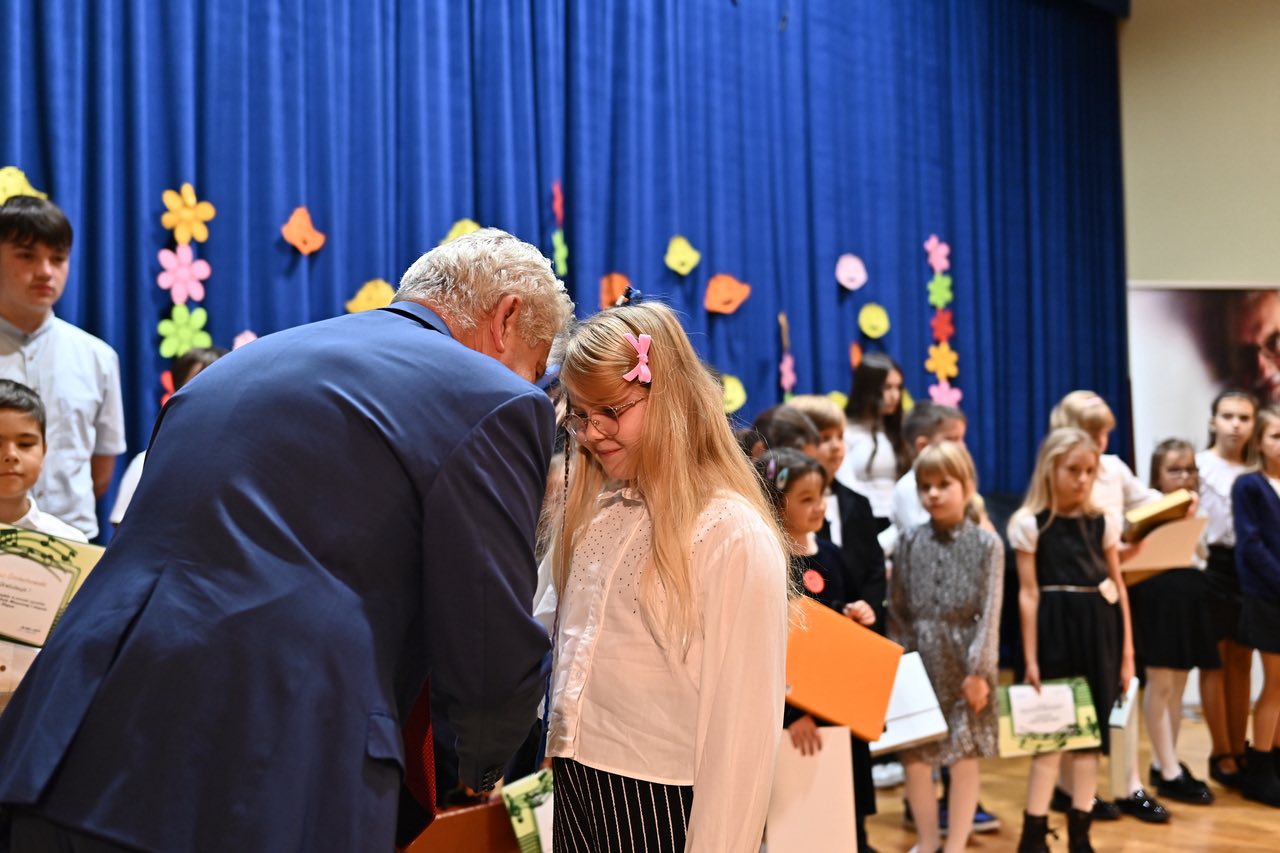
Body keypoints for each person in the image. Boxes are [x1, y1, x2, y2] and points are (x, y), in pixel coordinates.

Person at [0, 228, 574, 851]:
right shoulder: (493, 398)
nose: (530, 384)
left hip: (63, 739)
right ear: (507, 317)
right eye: (535, 365)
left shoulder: (238, 366)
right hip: (260, 772)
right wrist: (480, 772)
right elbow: (486, 636)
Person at [542, 302, 789, 852]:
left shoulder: (729, 533)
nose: (592, 432)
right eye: (580, 415)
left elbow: (742, 733)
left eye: (610, 410)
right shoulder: (593, 516)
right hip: (578, 782)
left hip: (666, 804)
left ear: (670, 396)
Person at [1046, 391, 1170, 823]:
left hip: (1110, 594)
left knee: (1121, 689)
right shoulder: (1057, 476)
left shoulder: (1114, 468)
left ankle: (1127, 783)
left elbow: (1146, 501)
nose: (1101, 442)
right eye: (1093, 432)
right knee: (1074, 696)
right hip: (1072, 604)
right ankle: (1071, 789)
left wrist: (1173, 504)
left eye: (1105, 433)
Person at [1009, 428, 1134, 853]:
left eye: (1089, 471)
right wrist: (1030, 658)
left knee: (1089, 742)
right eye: (1073, 470)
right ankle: (1033, 833)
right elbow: (1028, 595)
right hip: (1054, 636)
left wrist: (1127, 654)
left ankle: (1081, 833)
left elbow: (1118, 586)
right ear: (1051, 469)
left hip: (1099, 635)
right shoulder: (1031, 525)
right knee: (1050, 740)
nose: (1082, 479)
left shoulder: (1103, 523)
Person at [756, 447, 880, 853]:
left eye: (821, 495)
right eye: (806, 498)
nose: (820, 506)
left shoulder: (832, 555)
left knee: (848, 807)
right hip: (797, 717)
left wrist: (859, 613)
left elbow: (845, 615)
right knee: (804, 820)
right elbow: (767, 649)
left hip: (839, 710)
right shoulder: (770, 560)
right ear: (777, 503)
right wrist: (791, 716)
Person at [892, 442, 1003, 853]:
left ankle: (955, 845)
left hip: (964, 662)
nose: (933, 494)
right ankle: (927, 841)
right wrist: (900, 666)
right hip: (919, 660)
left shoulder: (987, 545)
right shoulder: (907, 541)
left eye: (944, 484)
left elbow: (990, 613)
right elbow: (898, 611)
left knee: (963, 755)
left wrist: (979, 673)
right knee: (916, 758)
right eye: (925, 486)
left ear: (968, 486)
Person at [0, 196, 126, 539]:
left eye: (58, 258)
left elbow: (101, 469)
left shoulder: (98, 357)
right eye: (27, 255)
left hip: (72, 542)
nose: (45, 271)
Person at [1128, 439, 1216, 804]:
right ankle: (1168, 770)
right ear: (1157, 475)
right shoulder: (1149, 506)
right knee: (1161, 683)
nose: (1183, 477)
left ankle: (1165, 762)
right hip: (1158, 594)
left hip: (1188, 593)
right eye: (1174, 470)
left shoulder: (1196, 506)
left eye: (1190, 470)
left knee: (1178, 687)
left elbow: (1201, 552)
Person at [1195, 389, 1258, 789]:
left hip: (1248, 567)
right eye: (1228, 416)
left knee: (1242, 659)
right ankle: (1220, 751)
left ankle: (1239, 745)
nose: (1235, 425)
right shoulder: (1199, 466)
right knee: (1214, 660)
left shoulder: (1257, 470)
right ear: (1213, 421)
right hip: (1210, 566)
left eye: (1244, 418)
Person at [109, 346, 228, 526]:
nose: (209, 400)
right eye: (197, 388)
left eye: (219, 389)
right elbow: (122, 529)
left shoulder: (247, 464)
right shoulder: (147, 464)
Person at [1231, 405, 1280, 807]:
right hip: (1267, 596)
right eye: (1276, 436)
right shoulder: (1249, 485)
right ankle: (1260, 768)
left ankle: (1274, 759)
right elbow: (1250, 545)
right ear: (1260, 442)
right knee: (1275, 682)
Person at [836, 353, 908, 539]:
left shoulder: (899, 432)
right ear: (867, 389)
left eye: (898, 387)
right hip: (861, 525)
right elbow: (847, 487)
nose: (895, 395)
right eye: (887, 387)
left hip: (900, 524)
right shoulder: (844, 432)